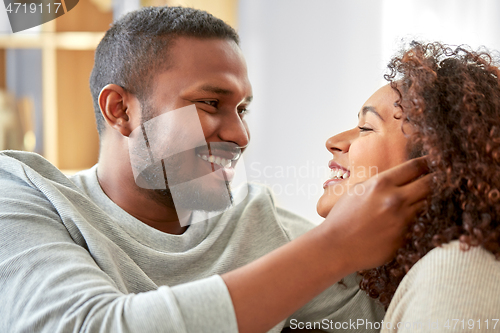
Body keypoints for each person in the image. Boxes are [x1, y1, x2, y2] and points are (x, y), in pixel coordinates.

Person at [0, 7, 431, 333]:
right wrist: (336, 244)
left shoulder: (261, 224)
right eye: (210, 103)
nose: (240, 135)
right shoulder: (28, 194)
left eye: (242, 109)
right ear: (120, 110)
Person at [318, 41, 500, 332]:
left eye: (366, 128)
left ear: (434, 166)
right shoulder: (397, 277)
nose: (334, 141)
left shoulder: (456, 274)